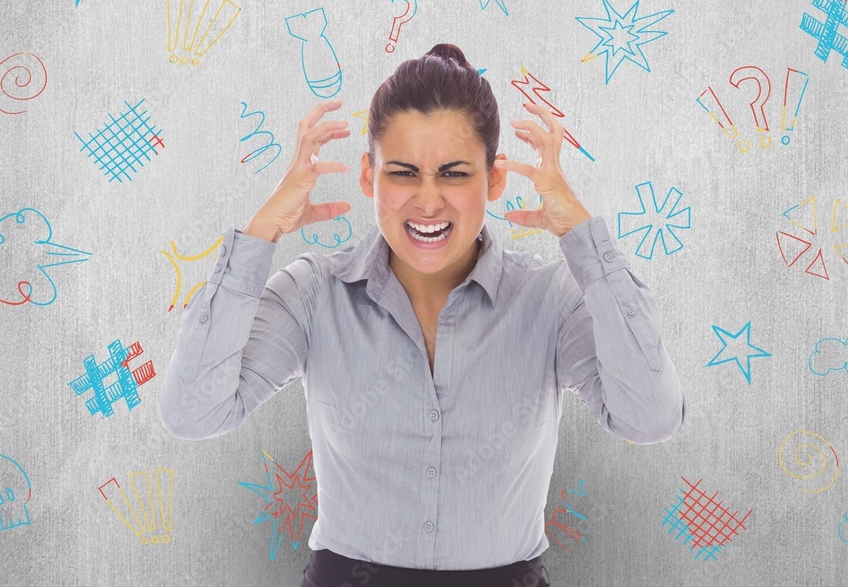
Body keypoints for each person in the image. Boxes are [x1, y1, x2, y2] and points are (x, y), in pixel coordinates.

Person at [158, 43, 687, 586]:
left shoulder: (549, 300)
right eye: (404, 173)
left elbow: (650, 417)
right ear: (369, 177)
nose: (428, 201)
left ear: (494, 180)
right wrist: (261, 230)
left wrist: (582, 236)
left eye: (455, 174)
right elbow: (192, 412)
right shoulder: (316, 291)